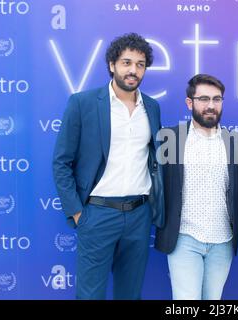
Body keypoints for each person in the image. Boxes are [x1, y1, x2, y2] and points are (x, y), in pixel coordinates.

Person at [52, 33, 164, 300]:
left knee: (130, 294)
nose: (133, 70)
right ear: (112, 65)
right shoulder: (83, 103)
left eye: (140, 64)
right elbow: (61, 162)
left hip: (139, 214)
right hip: (97, 214)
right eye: (126, 62)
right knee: (90, 295)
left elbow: (153, 159)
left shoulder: (152, 107)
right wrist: (78, 213)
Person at [155, 74, 238, 300]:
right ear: (190, 102)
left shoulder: (234, 141)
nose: (211, 105)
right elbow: (157, 183)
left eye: (217, 99)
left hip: (222, 240)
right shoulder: (172, 138)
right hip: (184, 238)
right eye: (204, 99)